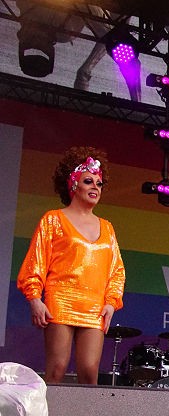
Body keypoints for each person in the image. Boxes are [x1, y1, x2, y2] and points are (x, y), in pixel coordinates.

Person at [17, 147, 126, 384]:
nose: (95, 187)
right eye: (88, 181)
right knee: (56, 369)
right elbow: (36, 260)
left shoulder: (107, 227)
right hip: (61, 301)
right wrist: (35, 299)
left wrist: (111, 303)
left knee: (89, 371)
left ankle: (86, 412)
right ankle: (50, 411)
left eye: (99, 183)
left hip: (94, 307)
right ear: (73, 184)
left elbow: (116, 270)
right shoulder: (53, 219)